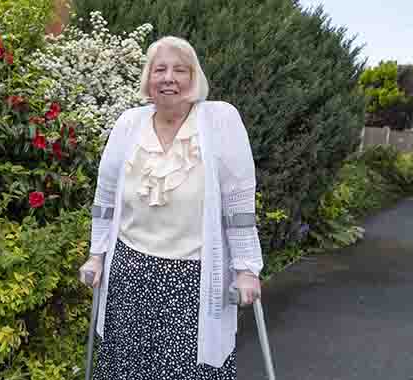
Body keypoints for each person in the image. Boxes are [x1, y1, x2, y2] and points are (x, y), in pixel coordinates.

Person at [79, 35, 263, 380]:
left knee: (186, 370)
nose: (169, 78)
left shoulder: (219, 120)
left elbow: (238, 204)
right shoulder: (129, 123)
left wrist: (246, 269)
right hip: (130, 272)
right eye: (160, 69)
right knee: (128, 368)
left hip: (192, 276)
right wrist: (97, 254)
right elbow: (104, 199)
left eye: (180, 70)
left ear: (195, 79)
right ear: (148, 79)